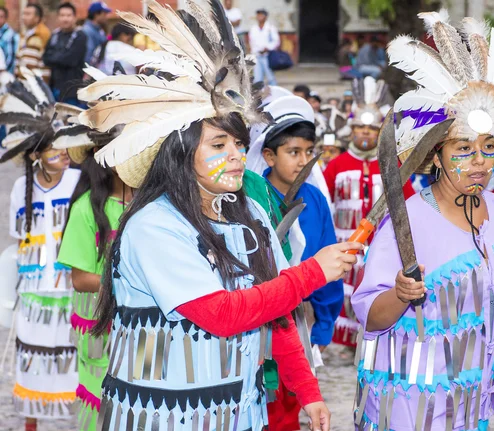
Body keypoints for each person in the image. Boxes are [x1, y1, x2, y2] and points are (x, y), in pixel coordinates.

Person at [77, 3, 359, 428]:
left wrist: (308, 391)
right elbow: (221, 313)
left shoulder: (251, 218)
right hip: (161, 417)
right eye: (219, 144)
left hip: (237, 414)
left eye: (239, 144)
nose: (236, 156)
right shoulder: (152, 226)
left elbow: (276, 312)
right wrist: (313, 274)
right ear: (181, 153)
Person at [352, 13, 494, 430]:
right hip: (409, 403)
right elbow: (370, 316)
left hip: (472, 402)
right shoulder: (409, 221)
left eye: (490, 147)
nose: (479, 162)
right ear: (435, 154)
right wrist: (400, 294)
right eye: (463, 148)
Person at [250, 95, 344, 431]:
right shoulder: (250, 197)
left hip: (300, 315)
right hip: (259, 313)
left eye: (308, 152)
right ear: (269, 156)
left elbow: (328, 256)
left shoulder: (315, 198)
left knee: (293, 398)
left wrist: (323, 321)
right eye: (293, 152)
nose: (303, 161)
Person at [0, 76, 80, 431]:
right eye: (53, 148)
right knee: (31, 357)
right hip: (33, 290)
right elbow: (20, 241)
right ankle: (30, 423)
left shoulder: (77, 182)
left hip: (69, 287)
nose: (61, 152)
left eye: (64, 146)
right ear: (35, 154)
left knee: (72, 360)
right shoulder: (21, 187)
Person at [323, 76, 415, 348]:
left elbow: (409, 203)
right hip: (345, 240)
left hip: (382, 244)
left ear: (380, 132)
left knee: (377, 286)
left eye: (371, 129)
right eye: (360, 128)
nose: (365, 133)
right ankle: (345, 340)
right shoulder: (336, 165)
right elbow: (324, 202)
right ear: (351, 130)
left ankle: (373, 337)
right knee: (345, 288)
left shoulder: (393, 165)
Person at [54, 128, 132, 431]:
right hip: (102, 326)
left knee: (144, 394)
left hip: (144, 326)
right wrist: (131, 282)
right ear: (111, 161)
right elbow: (80, 279)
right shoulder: (86, 208)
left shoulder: (153, 207)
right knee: (103, 403)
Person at [43, 2, 87, 105]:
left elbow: (71, 60)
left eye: (68, 15)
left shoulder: (80, 36)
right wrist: (62, 56)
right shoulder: (55, 35)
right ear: (58, 17)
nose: (65, 19)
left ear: (75, 17)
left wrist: (55, 57)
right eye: (62, 15)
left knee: (72, 118)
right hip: (54, 88)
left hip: (72, 90)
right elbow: (45, 58)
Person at [15, 3, 51, 83]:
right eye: (23, 14)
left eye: (28, 14)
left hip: (34, 84)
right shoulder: (27, 34)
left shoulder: (39, 35)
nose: (24, 17)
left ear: (37, 18)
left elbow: (29, 66)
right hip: (26, 81)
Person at [249, 8, 279, 85]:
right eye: (258, 15)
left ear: (265, 17)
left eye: (261, 15)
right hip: (257, 55)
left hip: (267, 56)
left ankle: (274, 93)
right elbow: (251, 42)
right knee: (257, 78)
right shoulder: (253, 28)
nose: (259, 17)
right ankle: (259, 95)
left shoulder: (270, 28)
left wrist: (268, 48)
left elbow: (276, 41)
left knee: (270, 77)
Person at [0, 7, 19, 74]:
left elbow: (10, 57)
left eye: (1, 16)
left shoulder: (9, 34)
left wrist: (4, 73)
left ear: (6, 18)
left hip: (5, 73)